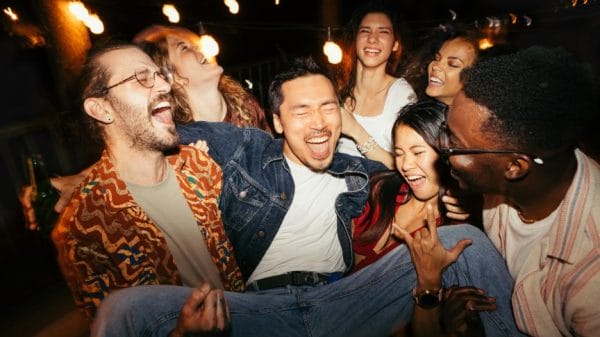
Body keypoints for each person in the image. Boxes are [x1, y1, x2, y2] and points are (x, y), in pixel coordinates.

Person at [90, 56, 523, 337]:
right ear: (276, 122)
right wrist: (82, 176)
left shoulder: (358, 172)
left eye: (329, 107)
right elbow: (150, 135)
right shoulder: (245, 150)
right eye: (301, 110)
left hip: (347, 300)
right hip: (259, 311)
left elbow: (414, 166)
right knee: (124, 308)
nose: (319, 122)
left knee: (466, 242)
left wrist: (460, 195)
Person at [51, 41, 244, 321]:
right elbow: (119, 327)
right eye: (142, 78)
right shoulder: (84, 225)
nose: (165, 87)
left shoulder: (200, 166)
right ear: (101, 109)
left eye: (160, 75)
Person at [439, 46, 600, 336]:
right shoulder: (510, 177)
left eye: (456, 145)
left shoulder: (591, 271)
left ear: (515, 167)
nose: (443, 150)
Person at [133, 25, 272, 131]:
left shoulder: (246, 108)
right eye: (185, 48)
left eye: (196, 45)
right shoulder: (180, 140)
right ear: (174, 78)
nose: (201, 48)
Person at [336, 2, 416, 168]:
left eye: (383, 32)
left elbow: (405, 166)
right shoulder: (339, 88)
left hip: (378, 189)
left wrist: (355, 130)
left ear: (395, 44)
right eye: (365, 31)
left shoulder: (401, 95)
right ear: (355, 39)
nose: (372, 39)